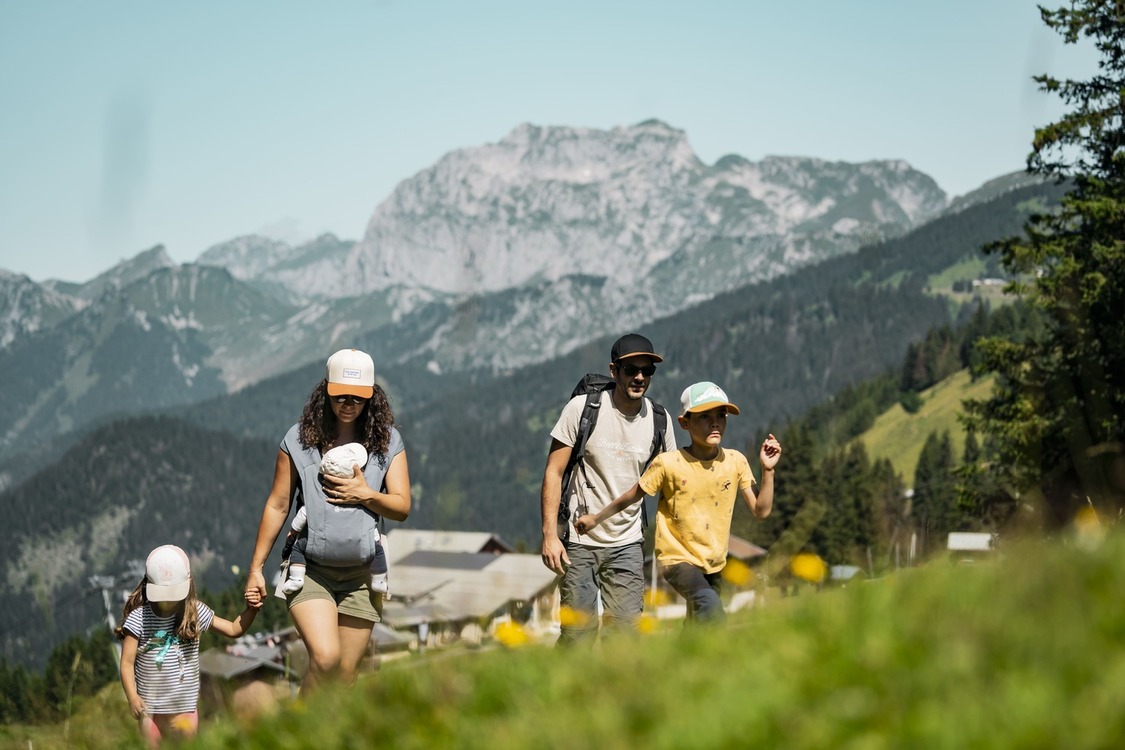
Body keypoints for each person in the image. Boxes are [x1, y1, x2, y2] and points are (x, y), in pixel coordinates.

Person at [245, 348, 410, 692]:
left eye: (357, 398)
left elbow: (401, 506)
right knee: (325, 659)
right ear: (326, 392)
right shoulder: (297, 441)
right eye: (340, 397)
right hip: (310, 570)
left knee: (343, 678)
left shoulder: (388, 442)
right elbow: (278, 505)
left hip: (362, 576)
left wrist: (365, 495)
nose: (348, 404)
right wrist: (256, 568)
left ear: (371, 398)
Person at [576, 381, 781, 623]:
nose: (715, 422)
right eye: (704, 416)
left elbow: (761, 510)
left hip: (714, 562)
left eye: (721, 415)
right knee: (710, 608)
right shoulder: (669, 463)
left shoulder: (736, 462)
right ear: (685, 423)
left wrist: (768, 471)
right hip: (676, 560)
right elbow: (631, 496)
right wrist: (595, 519)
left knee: (698, 625)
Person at [540, 333, 677, 646]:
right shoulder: (582, 409)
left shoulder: (659, 420)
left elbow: (671, 485)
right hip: (577, 542)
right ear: (614, 370)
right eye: (631, 369)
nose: (640, 377)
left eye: (647, 370)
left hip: (627, 542)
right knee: (577, 636)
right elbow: (553, 471)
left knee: (625, 637)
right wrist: (549, 535)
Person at [117, 544, 259, 747]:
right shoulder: (138, 619)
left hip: (185, 710)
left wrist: (251, 609)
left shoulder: (194, 613)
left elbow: (233, 629)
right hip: (150, 712)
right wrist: (132, 696)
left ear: (188, 583)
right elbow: (126, 663)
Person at [280, 443, 389, 596]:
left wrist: (292, 534)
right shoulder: (361, 498)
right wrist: (376, 542)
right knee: (378, 551)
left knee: (299, 548)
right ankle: (378, 581)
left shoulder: (317, 498)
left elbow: (302, 516)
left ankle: (296, 578)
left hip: (319, 550)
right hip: (358, 550)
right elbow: (369, 525)